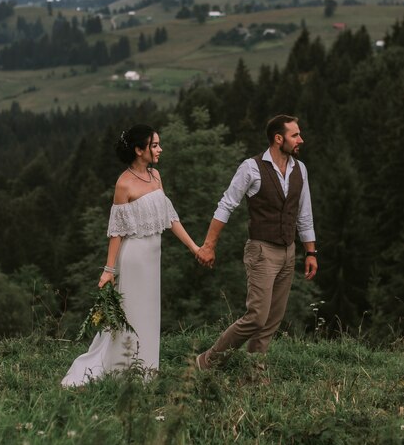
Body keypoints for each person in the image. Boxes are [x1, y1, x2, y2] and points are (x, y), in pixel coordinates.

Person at [62, 124, 200, 386]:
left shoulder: (156, 176)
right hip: (134, 258)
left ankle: (146, 371)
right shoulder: (123, 184)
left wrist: (194, 247)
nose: (160, 149)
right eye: (154, 145)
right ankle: (121, 371)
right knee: (132, 313)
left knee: (149, 314)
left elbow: (170, 218)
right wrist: (109, 270)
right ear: (139, 150)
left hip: (153, 257)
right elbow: (117, 232)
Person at [195, 114, 317, 370]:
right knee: (256, 317)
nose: (300, 140)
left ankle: (253, 374)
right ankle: (208, 362)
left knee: (272, 319)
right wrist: (209, 245)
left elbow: (304, 214)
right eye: (295, 135)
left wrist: (310, 252)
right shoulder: (251, 168)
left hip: (289, 251)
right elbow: (226, 205)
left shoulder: (300, 169)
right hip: (261, 251)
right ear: (278, 138)